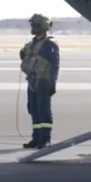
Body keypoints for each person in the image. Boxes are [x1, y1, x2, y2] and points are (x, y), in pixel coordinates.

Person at [19, 13, 60, 149]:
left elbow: (55, 65)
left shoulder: (50, 44)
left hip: (44, 81)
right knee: (33, 109)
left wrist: (52, 83)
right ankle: (36, 138)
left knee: (43, 110)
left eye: (36, 25)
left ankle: (45, 139)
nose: (33, 27)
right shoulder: (32, 42)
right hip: (32, 80)